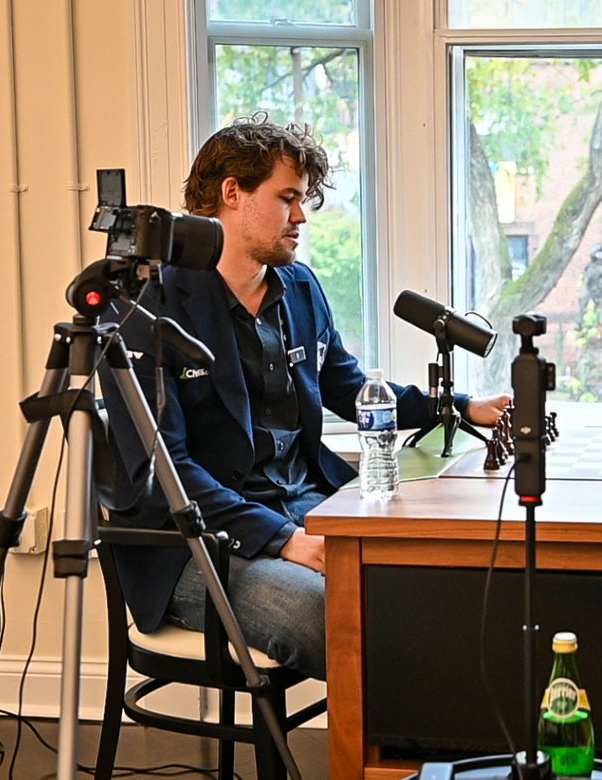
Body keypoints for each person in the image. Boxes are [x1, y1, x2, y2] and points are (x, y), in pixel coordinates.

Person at [100, 116, 510, 680]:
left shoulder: (299, 287)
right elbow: (168, 471)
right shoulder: (147, 304)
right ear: (232, 194)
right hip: (194, 547)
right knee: (336, 616)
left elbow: (348, 387)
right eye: (288, 198)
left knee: (438, 580)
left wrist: (461, 406)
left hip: (307, 508)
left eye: (304, 200)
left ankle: (432, 757)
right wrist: (284, 539)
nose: (301, 217)